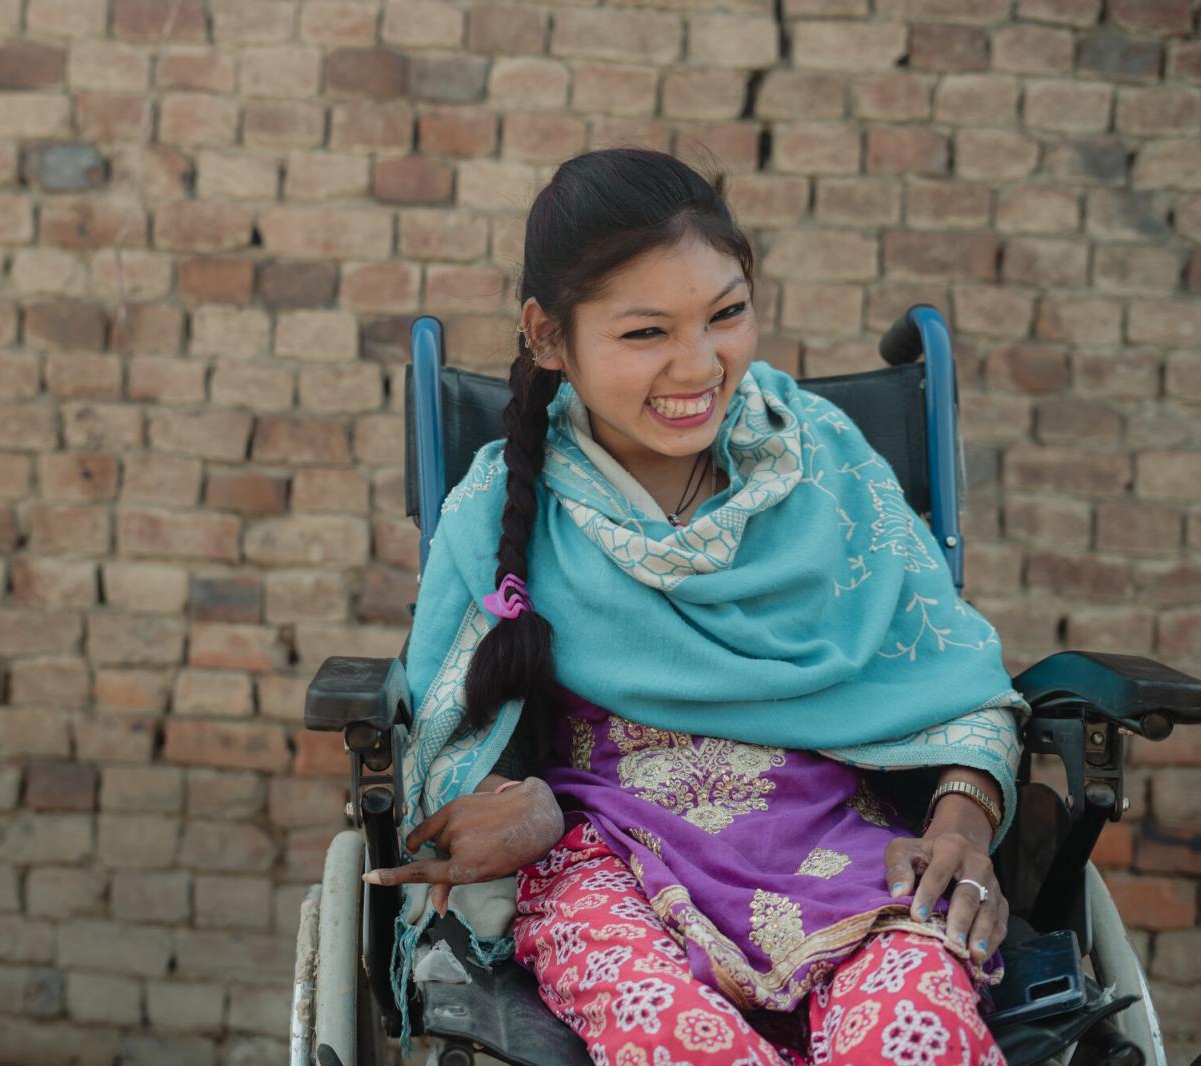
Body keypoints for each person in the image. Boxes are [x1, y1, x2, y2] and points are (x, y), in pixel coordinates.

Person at [363, 149, 1025, 1065]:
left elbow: (954, 688)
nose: (699, 364)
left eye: (726, 314)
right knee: (680, 1044)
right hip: (603, 861)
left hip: (842, 847)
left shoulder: (826, 462)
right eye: (646, 334)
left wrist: (958, 827)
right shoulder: (503, 507)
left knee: (921, 1034)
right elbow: (455, 745)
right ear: (549, 338)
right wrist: (516, 805)